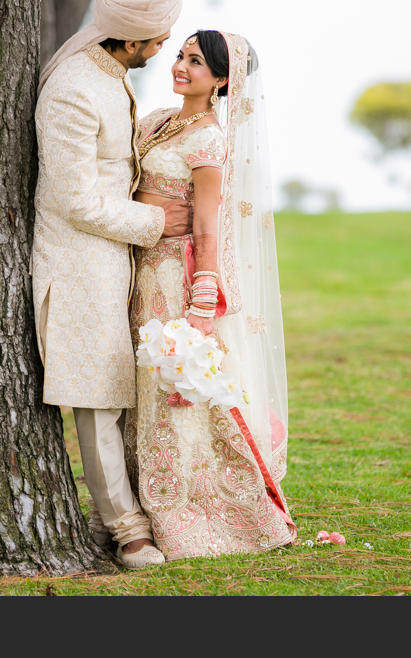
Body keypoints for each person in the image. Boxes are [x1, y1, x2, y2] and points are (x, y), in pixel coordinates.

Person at [31, 0, 191, 570]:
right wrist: (156, 224)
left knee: (122, 392)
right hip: (76, 263)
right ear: (130, 41)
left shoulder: (111, 73)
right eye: (158, 40)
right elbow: (75, 200)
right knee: (96, 396)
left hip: (111, 259)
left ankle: (129, 511)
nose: (163, 50)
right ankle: (126, 532)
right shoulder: (74, 87)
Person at [127, 30, 297, 560]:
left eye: (196, 62)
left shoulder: (207, 140)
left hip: (175, 277)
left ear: (223, 80)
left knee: (169, 394)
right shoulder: (158, 120)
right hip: (140, 266)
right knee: (137, 390)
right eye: (180, 55)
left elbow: (207, 226)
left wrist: (201, 308)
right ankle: (132, 505)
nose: (180, 66)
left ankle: (180, 510)